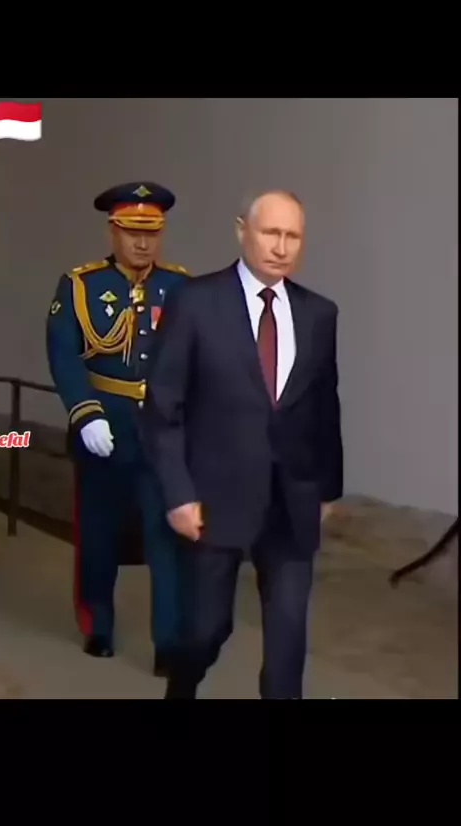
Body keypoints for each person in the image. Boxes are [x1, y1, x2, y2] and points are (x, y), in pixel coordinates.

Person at [144, 189, 343, 698]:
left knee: (288, 645)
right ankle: (182, 687)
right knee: (207, 629)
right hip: (215, 498)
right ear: (241, 231)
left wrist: (328, 489)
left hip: (292, 502)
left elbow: (324, 406)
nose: (281, 247)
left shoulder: (319, 314)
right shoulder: (195, 302)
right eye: (270, 232)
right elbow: (163, 408)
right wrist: (178, 494)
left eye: (292, 236)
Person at [46, 181, 190, 674]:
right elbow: (64, 353)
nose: (143, 243)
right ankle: (98, 624)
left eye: (152, 232)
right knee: (99, 532)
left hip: (162, 430)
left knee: (166, 535)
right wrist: (85, 411)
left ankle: (169, 640)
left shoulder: (181, 287)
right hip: (104, 426)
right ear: (113, 230)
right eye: (132, 231)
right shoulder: (80, 285)